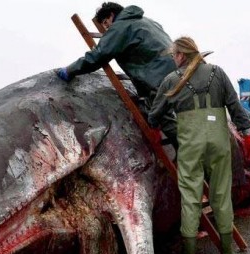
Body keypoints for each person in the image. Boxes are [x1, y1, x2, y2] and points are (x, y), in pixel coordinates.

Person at [148, 36, 250, 254]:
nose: (173, 59)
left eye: (174, 55)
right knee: (221, 194)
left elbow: (154, 115)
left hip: (190, 146)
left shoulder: (170, 81)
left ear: (181, 55)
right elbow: (236, 108)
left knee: (191, 198)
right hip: (219, 143)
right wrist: (247, 136)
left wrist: (155, 131)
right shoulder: (217, 73)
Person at [54, 2, 179, 148]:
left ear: (112, 15)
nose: (106, 27)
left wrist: (70, 70)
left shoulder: (120, 27)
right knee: (184, 115)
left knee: (164, 117)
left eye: (106, 23)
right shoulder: (147, 21)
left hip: (159, 76)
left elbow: (98, 56)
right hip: (179, 70)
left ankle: (194, 160)